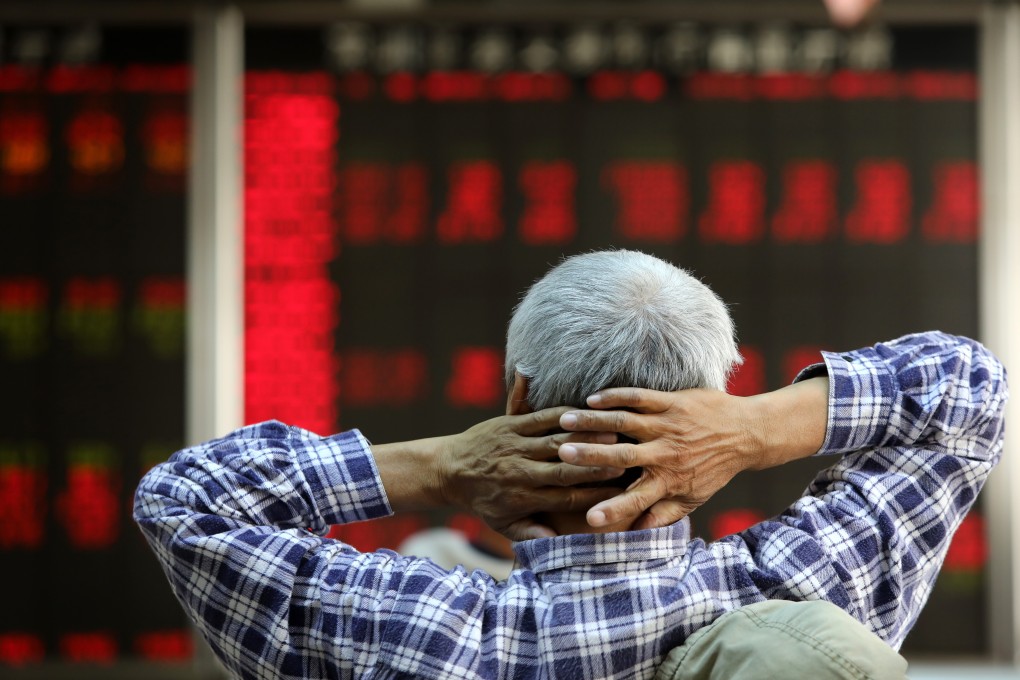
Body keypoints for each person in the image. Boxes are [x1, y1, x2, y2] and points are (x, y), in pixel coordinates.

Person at [135, 250, 1007, 679]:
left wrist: (444, 465)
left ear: (517, 398)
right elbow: (969, 387)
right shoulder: (807, 594)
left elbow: (186, 501)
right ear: (713, 395)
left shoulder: (421, 635)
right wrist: (751, 430)